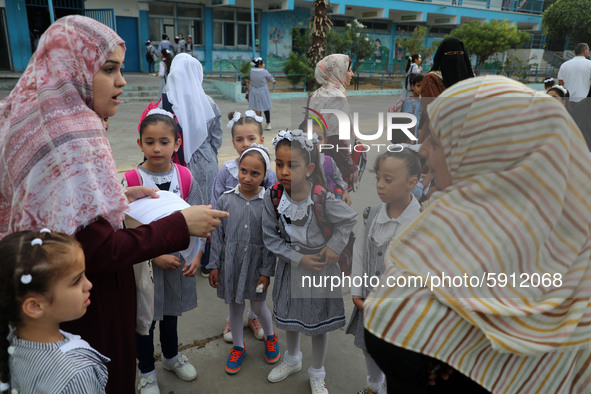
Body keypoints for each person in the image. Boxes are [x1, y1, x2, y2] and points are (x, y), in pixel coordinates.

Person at [0, 16, 228, 393]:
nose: (122, 81)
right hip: (85, 304)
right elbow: (97, 249)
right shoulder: (73, 134)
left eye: (120, 69)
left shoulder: (26, 118)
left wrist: (117, 198)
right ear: (71, 69)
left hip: (42, 298)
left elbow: (61, 213)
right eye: (108, 70)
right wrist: (179, 225)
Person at [363, 75, 591, 393]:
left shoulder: (451, 235)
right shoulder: (571, 238)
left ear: (486, 153)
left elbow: (390, 330)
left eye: (438, 141)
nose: (424, 150)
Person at [263, 129, 358, 394]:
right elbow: (270, 239)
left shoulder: (321, 197)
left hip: (319, 268)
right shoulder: (272, 197)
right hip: (291, 266)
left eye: (292, 165)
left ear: (309, 167)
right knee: (290, 316)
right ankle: (292, 359)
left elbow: (349, 219)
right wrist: (297, 258)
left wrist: (333, 247)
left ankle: (317, 371)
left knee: (318, 323)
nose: (283, 171)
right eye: (279, 164)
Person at [127, 109, 202, 394]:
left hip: (176, 264)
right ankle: (146, 370)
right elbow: (127, 227)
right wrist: (154, 253)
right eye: (149, 142)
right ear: (139, 144)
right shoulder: (132, 180)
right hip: (144, 267)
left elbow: (198, 216)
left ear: (177, 143)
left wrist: (196, 254)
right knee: (144, 320)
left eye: (164, 141)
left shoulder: (185, 177)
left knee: (171, 315)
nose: (157, 148)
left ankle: (171, 356)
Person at [346, 149, 421, 394]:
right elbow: (359, 252)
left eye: (388, 180)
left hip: (401, 311)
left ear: (412, 182)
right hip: (368, 302)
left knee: (395, 355)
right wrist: (357, 290)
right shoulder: (373, 214)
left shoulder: (420, 223)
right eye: (378, 178)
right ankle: (373, 385)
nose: (380, 185)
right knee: (369, 346)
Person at [0, 230, 104, 393]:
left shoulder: (9, 341)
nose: (88, 284)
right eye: (76, 280)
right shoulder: (75, 373)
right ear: (35, 306)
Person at [208, 144, 280, 375]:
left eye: (255, 173)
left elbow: (271, 240)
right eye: (244, 171)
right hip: (232, 264)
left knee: (258, 305)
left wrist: (267, 271)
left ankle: (271, 336)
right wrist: (214, 265)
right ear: (237, 169)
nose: (248, 177)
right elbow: (218, 236)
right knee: (235, 307)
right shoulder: (225, 200)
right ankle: (239, 347)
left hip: (258, 266)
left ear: (266, 175)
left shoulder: (269, 202)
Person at [160, 53, 223, 282]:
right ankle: (207, 260)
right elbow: (217, 137)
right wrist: (207, 154)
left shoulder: (165, 102)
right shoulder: (208, 102)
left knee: (180, 207)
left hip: (176, 163)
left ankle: (182, 255)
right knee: (207, 206)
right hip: (205, 162)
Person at [308, 54, 359, 190]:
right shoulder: (337, 98)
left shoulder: (314, 96)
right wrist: (350, 167)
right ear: (338, 72)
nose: (352, 74)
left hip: (314, 160)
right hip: (333, 165)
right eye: (348, 70)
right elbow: (337, 138)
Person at [419, 37, 473, 143]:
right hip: (437, 140)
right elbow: (434, 113)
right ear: (442, 56)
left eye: (459, 53)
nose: (456, 57)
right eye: (451, 53)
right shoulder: (432, 79)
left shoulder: (469, 80)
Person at [299, 119, 351, 205]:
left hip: (328, 206)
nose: (315, 143)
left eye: (319, 139)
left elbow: (339, 179)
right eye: (309, 138)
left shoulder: (328, 162)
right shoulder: (298, 164)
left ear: (325, 141)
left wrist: (345, 192)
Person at [248, 57, 276, 131]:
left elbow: (249, 80)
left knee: (256, 108)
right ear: (260, 64)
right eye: (263, 63)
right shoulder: (264, 71)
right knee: (265, 107)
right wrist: (273, 81)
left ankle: (258, 124)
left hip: (253, 90)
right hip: (263, 91)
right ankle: (268, 123)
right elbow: (270, 77)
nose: (264, 64)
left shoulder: (251, 71)